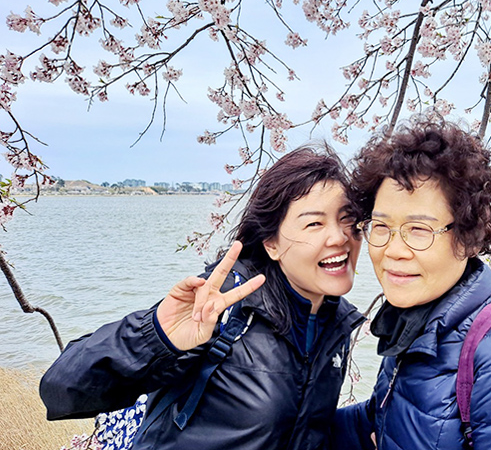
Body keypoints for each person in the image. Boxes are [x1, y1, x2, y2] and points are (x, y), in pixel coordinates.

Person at [40, 145, 365, 450]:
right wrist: (156, 337)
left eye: (348, 219)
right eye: (314, 223)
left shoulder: (335, 323)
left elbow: (300, 427)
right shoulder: (223, 307)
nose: (339, 237)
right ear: (272, 244)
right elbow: (60, 390)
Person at [332, 117, 491, 450]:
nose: (393, 250)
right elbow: (383, 418)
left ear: (468, 238)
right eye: (381, 227)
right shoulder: (417, 328)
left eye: (418, 230)